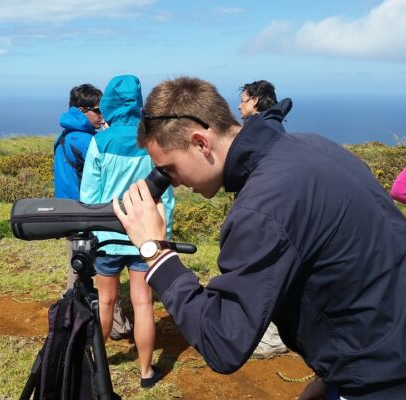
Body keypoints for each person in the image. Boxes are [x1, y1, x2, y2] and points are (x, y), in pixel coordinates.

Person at [113, 76, 406, 399]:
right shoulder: (313, 146)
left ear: (200, 143)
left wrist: (157, 254)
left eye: (169, 170)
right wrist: (332, 377)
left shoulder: (262, 207)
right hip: (383, 354)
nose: (175, 184)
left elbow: (223, 341)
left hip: (381, 380)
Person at [80, 75, 175, 388]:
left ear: (108, 102)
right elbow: (166, 196)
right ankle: (146, 372)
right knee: (143, 303)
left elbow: (89, 199)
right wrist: (163, 235)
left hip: (107, 237)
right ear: (139, 101)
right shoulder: (152, 140)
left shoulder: (100, 141)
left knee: (105, 303)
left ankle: (97, 367)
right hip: (144, 237)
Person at [53, 83, 132, 340]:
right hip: (85, 214)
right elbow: (109, 170)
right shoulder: (86, 140)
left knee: (77, 268)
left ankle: (73, 319)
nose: (102, 116)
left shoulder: (66, 135)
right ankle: (116, 326)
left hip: (67, 212)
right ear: (82, 110)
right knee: (102, 269)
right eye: (98, 111)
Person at [239, 79, 292, 359]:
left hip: (264, 212)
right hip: (274, 211)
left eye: (245, 100)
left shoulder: (259, 131)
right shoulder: (275, 126)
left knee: (263, 271)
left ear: (257, 101)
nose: (240, 105)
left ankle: (270, 338)